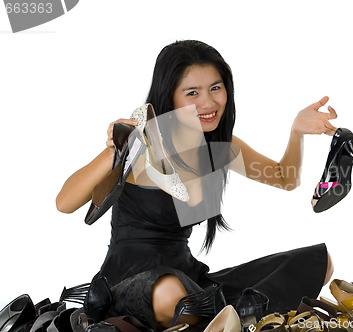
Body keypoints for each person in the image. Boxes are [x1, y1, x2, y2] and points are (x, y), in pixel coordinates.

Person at [55, 40, 337, 331]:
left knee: (318, 262)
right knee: (170, 294)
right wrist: (117, 150)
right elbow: (64, 203)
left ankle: (217, 318)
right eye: (193, 93)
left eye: (216, 88)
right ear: (169, 97)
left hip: (190, 280)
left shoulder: (220, 147)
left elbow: (284, 178)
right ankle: (221, 318)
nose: (208, 103)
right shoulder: (139, 149)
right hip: (133, 282)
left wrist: (297, 131)